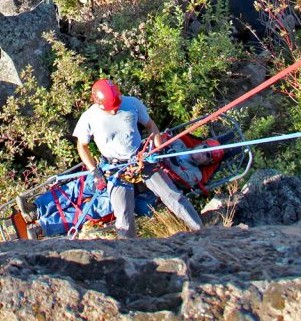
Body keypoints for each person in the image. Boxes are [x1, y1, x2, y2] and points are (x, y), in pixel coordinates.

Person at [73, 78, 204, 238]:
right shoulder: (89, 117)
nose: (114, 112)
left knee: (173, 195)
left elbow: (151, 126)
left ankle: (200, 231)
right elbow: (82, 146)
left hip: (141, 159)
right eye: (110, 109)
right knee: (123, 216)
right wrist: (94, 171)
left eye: (116, 107)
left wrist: (157, 150)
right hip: (116, 169)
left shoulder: (131, 103)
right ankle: (129, 248)